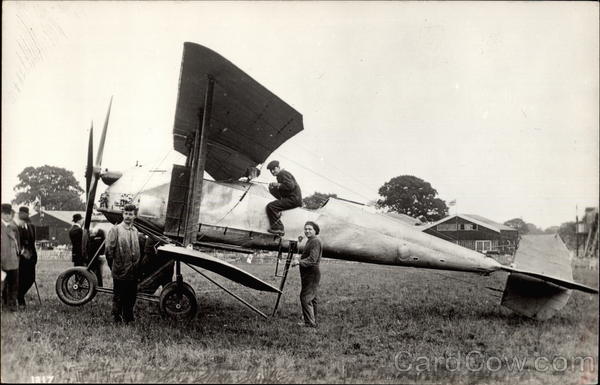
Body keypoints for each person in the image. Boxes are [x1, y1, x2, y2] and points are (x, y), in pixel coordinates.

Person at [105, 203, 141, 324]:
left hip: (133, 271)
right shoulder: (115, 230)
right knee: (119, 296)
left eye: (130, 214)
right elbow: (109, 250)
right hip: (120, 270)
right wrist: (115, 266)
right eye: (126, 214)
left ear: (134, 216)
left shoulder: (135, 231)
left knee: (131, 296)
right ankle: (117, 319)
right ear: (122, 214)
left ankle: (129, 318)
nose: (128, 217)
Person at [291, 221, 322, 328]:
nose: (307, 231)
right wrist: (299, 258)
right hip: (309, 273)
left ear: (315, 231)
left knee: (305, 297)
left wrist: (299, 262)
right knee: (312, 298)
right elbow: (308, 256)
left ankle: (309, 323)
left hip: (311, 273)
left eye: (310, 229)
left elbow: (313, 259)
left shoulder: (315, 241)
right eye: (306, 229)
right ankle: (312, 320)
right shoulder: (310, 240)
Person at [265, 160, 302, 236]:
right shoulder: (280, 176)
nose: (272, 171)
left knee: (271, 206)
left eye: (274, 169)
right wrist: (273, 189)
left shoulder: (283, 173)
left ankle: (278, 228)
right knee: (274, 204)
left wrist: (277, 185)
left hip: (293, 199)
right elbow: (282, 193)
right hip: (293, 199)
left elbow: (290, 186)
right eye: (270, 170)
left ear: (278, 167)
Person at [16, 206, 37, 308]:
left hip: (31, 258)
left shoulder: (31, 226)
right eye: (21, 213)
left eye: (25, 214)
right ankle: (20, 299)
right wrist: (21, 252)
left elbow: (32, 243)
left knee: (31, 279)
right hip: (20, 258)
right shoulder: (16, 227)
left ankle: (19, 295)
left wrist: (34, 256)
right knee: (20, 278)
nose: (23, 215)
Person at [1, 204, 20, 311]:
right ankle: (4, 305)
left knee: (13, 285)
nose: (8, 216)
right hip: (2, 263)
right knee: (3, 286)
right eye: (5, 213)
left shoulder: (13, 227)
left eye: (9, 214)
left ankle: (12, 306)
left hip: (13, 262)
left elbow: (17, 245)